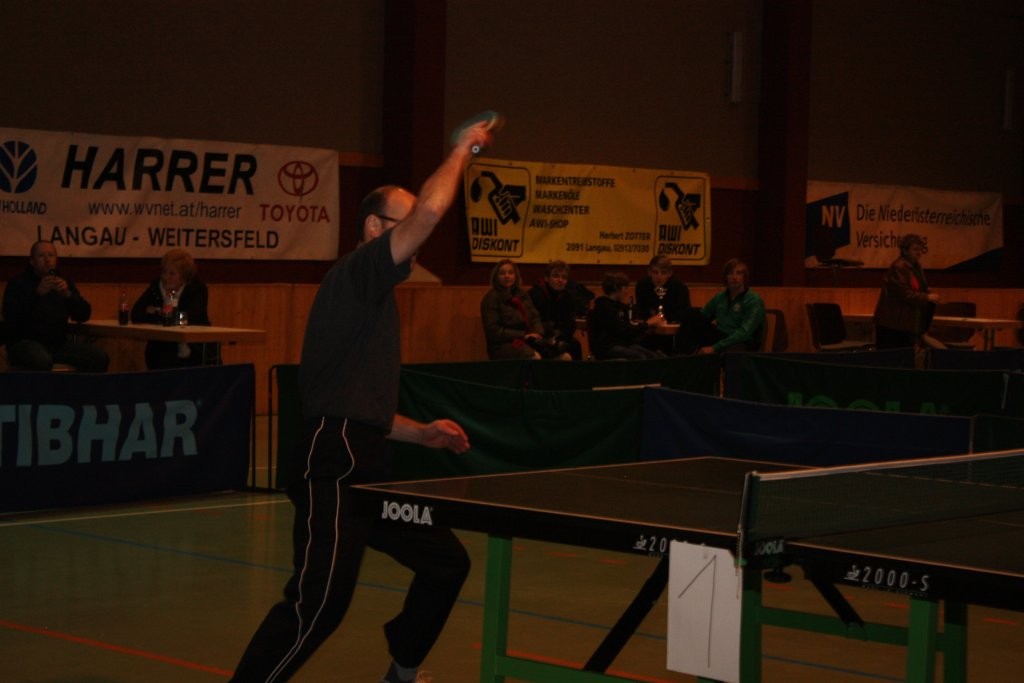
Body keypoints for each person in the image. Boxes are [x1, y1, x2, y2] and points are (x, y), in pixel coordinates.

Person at [229, 120, 494, 683]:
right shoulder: (357, 272)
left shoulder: (373, 301)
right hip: (333, 463)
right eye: (404, 223)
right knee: (319, 603)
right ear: (374, 227)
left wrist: (420, 432)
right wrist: (461, 151)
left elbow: (356, 406)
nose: (417, 237)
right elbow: (430, 212)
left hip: (367, 463)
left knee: (446, 564)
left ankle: (402, 673)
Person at [2, 240, 109, 372]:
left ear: (56, 260)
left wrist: (68, 295)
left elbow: (84, 314)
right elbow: (11, 316)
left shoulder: (63, 282)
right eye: (41, 256)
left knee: (99, 357)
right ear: (32, 261)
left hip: (57, 344)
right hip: (24, 342)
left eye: (51, 255)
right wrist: (36, 294)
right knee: (41, 360)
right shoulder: (18, 283)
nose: (47, 260)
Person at [130, 249, 213, 369]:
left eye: (171, 274)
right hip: (162, 345)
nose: (165, 277)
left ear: (184, 277)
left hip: (194, 346)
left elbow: (192, 316)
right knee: (160, 353)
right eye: (164, 272)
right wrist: (166, 316)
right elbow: (136, 314)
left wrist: (158, 312)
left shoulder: (197, 289)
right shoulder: (156, 288)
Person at [481, 258, 570, 360]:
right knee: (535, 357)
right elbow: (493, 331)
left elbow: (535, 317)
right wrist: (523, 335)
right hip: (504, 344)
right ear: (496, 277)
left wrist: (538, 333)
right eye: (502, 273)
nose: (507, 276)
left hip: (528, 339)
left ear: (516, 276)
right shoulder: (491, 299)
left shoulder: (522, 294)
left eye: (510, 273)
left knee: (565, 357)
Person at [677, 258, 765, 355]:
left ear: (745, 277)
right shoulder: (720, 297)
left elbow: (744, 333)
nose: (734, 277)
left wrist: (714, 348)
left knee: (732, 350)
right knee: (691, 314)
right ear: (725, 277)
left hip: (741, 341)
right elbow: (702, 316)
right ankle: (680, 357)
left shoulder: (753, 300)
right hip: (721, 336)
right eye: (730, 273)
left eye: (739, 273)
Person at [873, 233, 941, 350]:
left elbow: (915, 288)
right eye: (915, 249)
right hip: (893, 323)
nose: (919, 252)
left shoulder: (915, 266)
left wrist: (926, 292)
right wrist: (927, 297)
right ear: (904, 250)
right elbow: (905, 294)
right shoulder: (899, 267)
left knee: (905, 356)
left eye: (921, 249)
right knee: (892, 357)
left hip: (905, 322)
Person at [587, 272, 664, 360]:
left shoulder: (620, 306)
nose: (627, 291)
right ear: (616, 287)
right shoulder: (604, 307)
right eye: (625, 288)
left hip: (621, 343)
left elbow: (628, 329)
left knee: (653, 356)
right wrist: (647, 324)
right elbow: (622, 329)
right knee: (639, 357)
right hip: (607, 347)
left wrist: (644, 328)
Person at [527, 260, 587, 360]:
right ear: (546, 278)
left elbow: (570, 325)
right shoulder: (535, 294)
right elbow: (532, 322)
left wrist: (560, 338)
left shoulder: (568, 297)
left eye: (564, 277)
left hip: (558, 336)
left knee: (575, 345)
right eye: (556, 276)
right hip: (539, 336)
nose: (560, 280)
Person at [635, 254, 691, 354]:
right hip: (649, 329)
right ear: (649, 272)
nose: (659, 277)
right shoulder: (642, 285)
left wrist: (665, 319)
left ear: (670, 274)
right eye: (655, 272)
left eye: (663, 273)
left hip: (672, 331)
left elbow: (684, 311)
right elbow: (641, 309)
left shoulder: (679, 287)